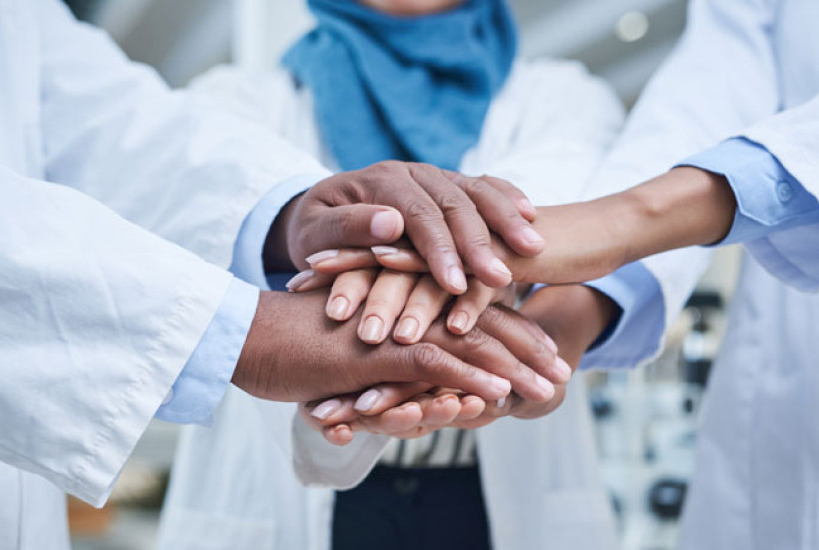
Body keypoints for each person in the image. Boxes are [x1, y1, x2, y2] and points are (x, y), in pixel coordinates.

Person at [0, 1, 563, 547]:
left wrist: (293, 212)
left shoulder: (559, 95)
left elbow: (107, 123)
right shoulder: (241, 95)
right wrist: (248, 332)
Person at [311, 0, 819, 547]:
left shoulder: (563, 95)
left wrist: (614, 232)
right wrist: (550, 314)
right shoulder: (242, 98)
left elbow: (560, 198)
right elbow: (712, 93)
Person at [158, 1, 645, 549]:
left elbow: (546, 211)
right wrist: (454, 265)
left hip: (484, 495)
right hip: (293, 495)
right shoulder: (236, 99)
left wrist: (387, 262)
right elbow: (211, 204)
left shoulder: (564, 97)